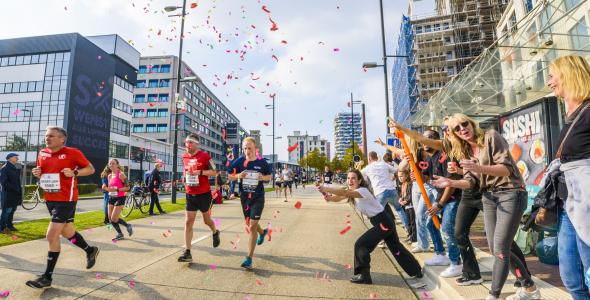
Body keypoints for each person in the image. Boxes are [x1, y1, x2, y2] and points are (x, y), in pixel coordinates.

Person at [422, 114, 539, 300]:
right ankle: (529, 287)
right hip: (489, 196)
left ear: (471, 123)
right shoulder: (465, 150)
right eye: (457, 129)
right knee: (496, 249)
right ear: (454, 134)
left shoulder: (490, 136)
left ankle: (493, 295)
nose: (462, 129)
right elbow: (470, 181)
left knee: (500, 248)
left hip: (511, 193)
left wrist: (479, 169)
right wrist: (450, 183)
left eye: (464, 124)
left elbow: (506, 169)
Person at [318, 170, 423, 284]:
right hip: (384, 221)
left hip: (383, 223)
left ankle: (364, 276)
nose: (350, 180)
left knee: (361, 244)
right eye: (348, 178)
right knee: (396, 248)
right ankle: (417, 270)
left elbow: (345, 193)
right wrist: (329, 198)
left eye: (353, 178)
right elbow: (340, 197)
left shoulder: (362, 191)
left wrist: (326, 188)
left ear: (359, 180)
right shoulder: (352, 192)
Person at [26, 126, 99, 289]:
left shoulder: (73, 152)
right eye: (46, 136)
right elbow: (42, 171)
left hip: (66, 199)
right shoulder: (42, 153)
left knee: (52, 235)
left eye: (51, 136)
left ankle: (47, 277)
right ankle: (90, 250)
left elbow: (91, 169)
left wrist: (75, 173)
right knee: (67, 232)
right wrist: (37, 172)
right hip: (50, 198)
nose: (47, 138)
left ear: (62, 139)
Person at [547, 55, 590, 300]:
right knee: (571, 278)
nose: (549, 82)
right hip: (569, 205)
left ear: (568, 74)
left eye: (552, 76)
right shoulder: (572, 116)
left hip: (587, 205)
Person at [228, 137, 272, 269]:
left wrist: (262, 177)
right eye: (245, 148)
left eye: (249, 148)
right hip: (245, 198)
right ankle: (263, 232)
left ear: (255, 149)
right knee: (250, 223)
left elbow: (269, 177)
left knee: (252, 226)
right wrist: (237, 176)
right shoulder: (240, 161)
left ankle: (249, 258)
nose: (247, 151)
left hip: (258, 197)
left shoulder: (262, 162)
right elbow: (228, 175)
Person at [177, 134, 221, 262]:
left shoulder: (205, 156)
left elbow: (214, 172)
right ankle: (187, 252)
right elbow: (185, 170)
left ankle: (215, 231)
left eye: (191, 142)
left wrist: (200, 172)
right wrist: (184, 178)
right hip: (190, 193)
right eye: (186, 142)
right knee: (188, 221)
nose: (188, 144)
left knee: (206, 220)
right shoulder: (184, 156)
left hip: (203, 194)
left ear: (197, 144)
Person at [361, 151, 409, 231]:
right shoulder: (383, 164)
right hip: (391, 190)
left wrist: (359, 165)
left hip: (380, 192)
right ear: (377, 157)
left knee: (377, 214)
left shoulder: (368, 168)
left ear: (369, 158)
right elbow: (396, 171)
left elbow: (358, 174)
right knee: (399, 209)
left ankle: (380, 234)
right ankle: (408, 229)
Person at [102, 159, 132, 241]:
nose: (111, 165)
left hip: (120, 197)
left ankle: (127, 225)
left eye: (113, 163)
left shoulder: (121, 175)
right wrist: (105, 187)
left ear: (117, 165)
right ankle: (120, 234)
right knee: (110, 218)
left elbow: (128, 187)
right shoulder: (109, 176)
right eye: (110, 164)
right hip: (111, 197)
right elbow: (110, 188)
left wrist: (117, 190)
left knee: (114, 218)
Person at [0, 153, 22, 233]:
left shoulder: (13, 168)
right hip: (8, 194)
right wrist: (14, 189)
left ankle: (9, 226)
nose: (17, 158)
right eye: (15, 157)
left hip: (14, 194)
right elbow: (4, 183)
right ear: (9, 158)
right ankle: (2, 228)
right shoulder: (5, 168)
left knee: (12, 210)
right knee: (6, 211)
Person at [398, 170, 416, 243]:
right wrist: (400, 199)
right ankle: (410, 236)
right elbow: (402, 194)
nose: (400, 178)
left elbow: (410, 195)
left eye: (401, 176)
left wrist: (406, 201)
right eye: (399, 176)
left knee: (412, 222)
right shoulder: (403, 184)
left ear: (406, 175)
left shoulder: (409, 184)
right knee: (408, 222)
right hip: (406, 206)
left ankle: (414, 238)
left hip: (411, 205)